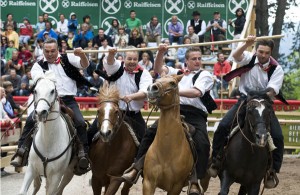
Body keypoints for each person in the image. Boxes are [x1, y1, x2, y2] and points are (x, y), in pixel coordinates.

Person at [121, 46, 213, 195]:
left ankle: (195, 179)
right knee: (149, 132)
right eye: (193, 59)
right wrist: (161, 52)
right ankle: (136, 166)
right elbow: (157, 68)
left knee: (202, 142)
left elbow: (196, 92)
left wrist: (171, 89)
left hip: (195, 114)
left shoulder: (205, 75)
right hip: (172, 110)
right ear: (186, 61)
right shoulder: (177, 73)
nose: (197, 61)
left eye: (199, 58)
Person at [209, 36, 284, 189]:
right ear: (256, 50)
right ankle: (216, 160)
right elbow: (235, 56)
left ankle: (272, 170)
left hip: (263, 104)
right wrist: (246, 44)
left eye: (266, 53)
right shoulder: (249, 57)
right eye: (260, 51)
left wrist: (259, 99)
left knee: (278, 136)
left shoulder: (277, 68)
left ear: (271, 53)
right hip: (244, 101)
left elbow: (272, 91)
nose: (262, 55)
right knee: (223, 126)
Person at [10, 38, 92, 175]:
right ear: (42, 51)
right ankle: (21, 151)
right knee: (30, 120)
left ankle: (83, 154)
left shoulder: (68, 58)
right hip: (48, 99)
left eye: (53, 51)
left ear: (58, 49)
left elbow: (84, 65)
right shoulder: (37, 65)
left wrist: (82, 54)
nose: (50, 54)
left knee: (80, 123)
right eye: (47, 51)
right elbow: (40, 81)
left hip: (68, 99)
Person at [88, 46, 153, 144]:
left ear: (138, 60)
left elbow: (145, 92)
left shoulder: (144, 73)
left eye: (135, 59)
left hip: (133, 115)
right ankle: (84, 155)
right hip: (112, 112)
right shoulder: (117, 67)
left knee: (145, 139)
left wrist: (131, 97)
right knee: (91, 133)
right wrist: (111, 54)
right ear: (124, 58)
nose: (132, 61)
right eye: (129, 58)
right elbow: (109, 63)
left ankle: (140, 159)